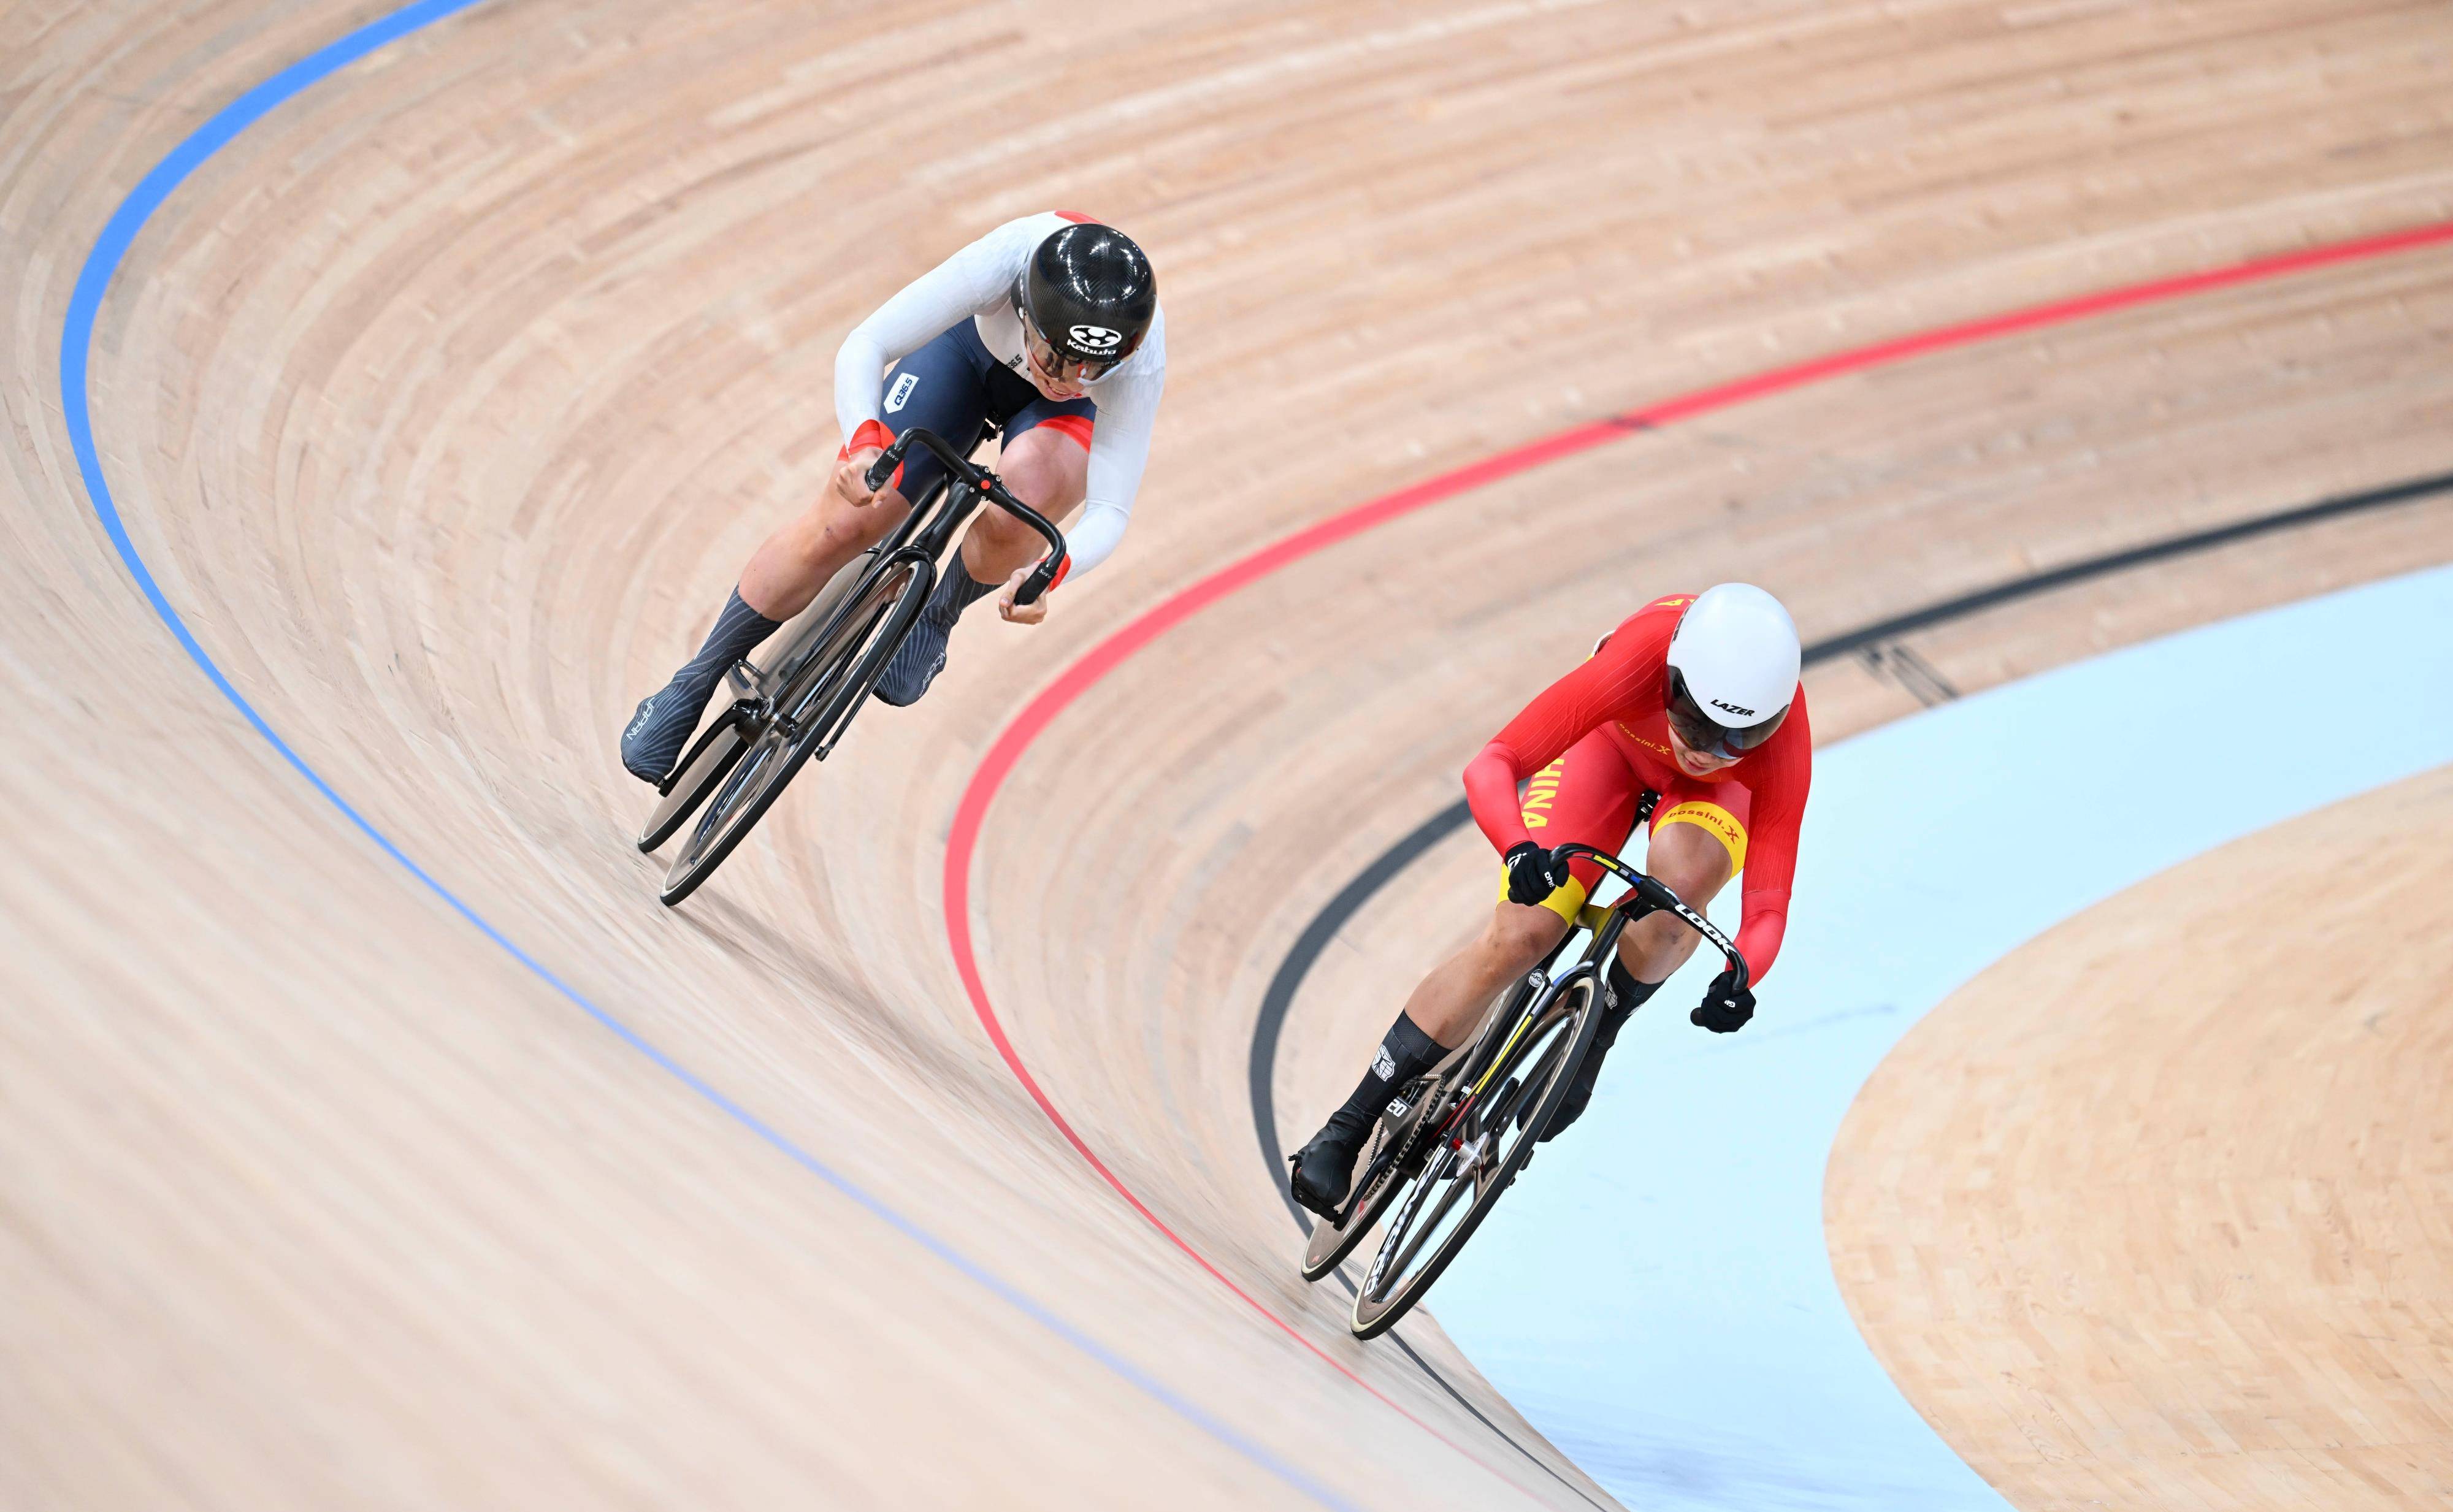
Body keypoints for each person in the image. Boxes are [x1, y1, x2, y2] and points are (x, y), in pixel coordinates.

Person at [1287, 583, 1813, 1216]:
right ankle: (1348, 1124)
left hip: (1706, 808)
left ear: (1773, 721)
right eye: (1695, 722)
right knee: (1519, 939)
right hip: (1610, 751)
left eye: (1736, 740)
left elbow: (1766, 907)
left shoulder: (1784, 744)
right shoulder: (1637, 658)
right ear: (1669, 678)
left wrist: (1743, 975)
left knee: (1680, 901)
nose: (1705, 751)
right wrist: (1517, 849)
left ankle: (1598, 1025)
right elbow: (1494, 763)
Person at [621, 213, 1165, 783]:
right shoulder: (1004, 261)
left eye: (1093, 369)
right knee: (847, 520)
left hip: (1057, 428)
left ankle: (938, 612)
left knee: (1026, 498)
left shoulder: (1137, 359)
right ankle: (693, 681)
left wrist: (1049, 576)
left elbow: (1110, 511)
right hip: (968, 354)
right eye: (1055, 359)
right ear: (1025, 310)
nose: (1068, 380)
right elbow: (868, 343)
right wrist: (862, 444)